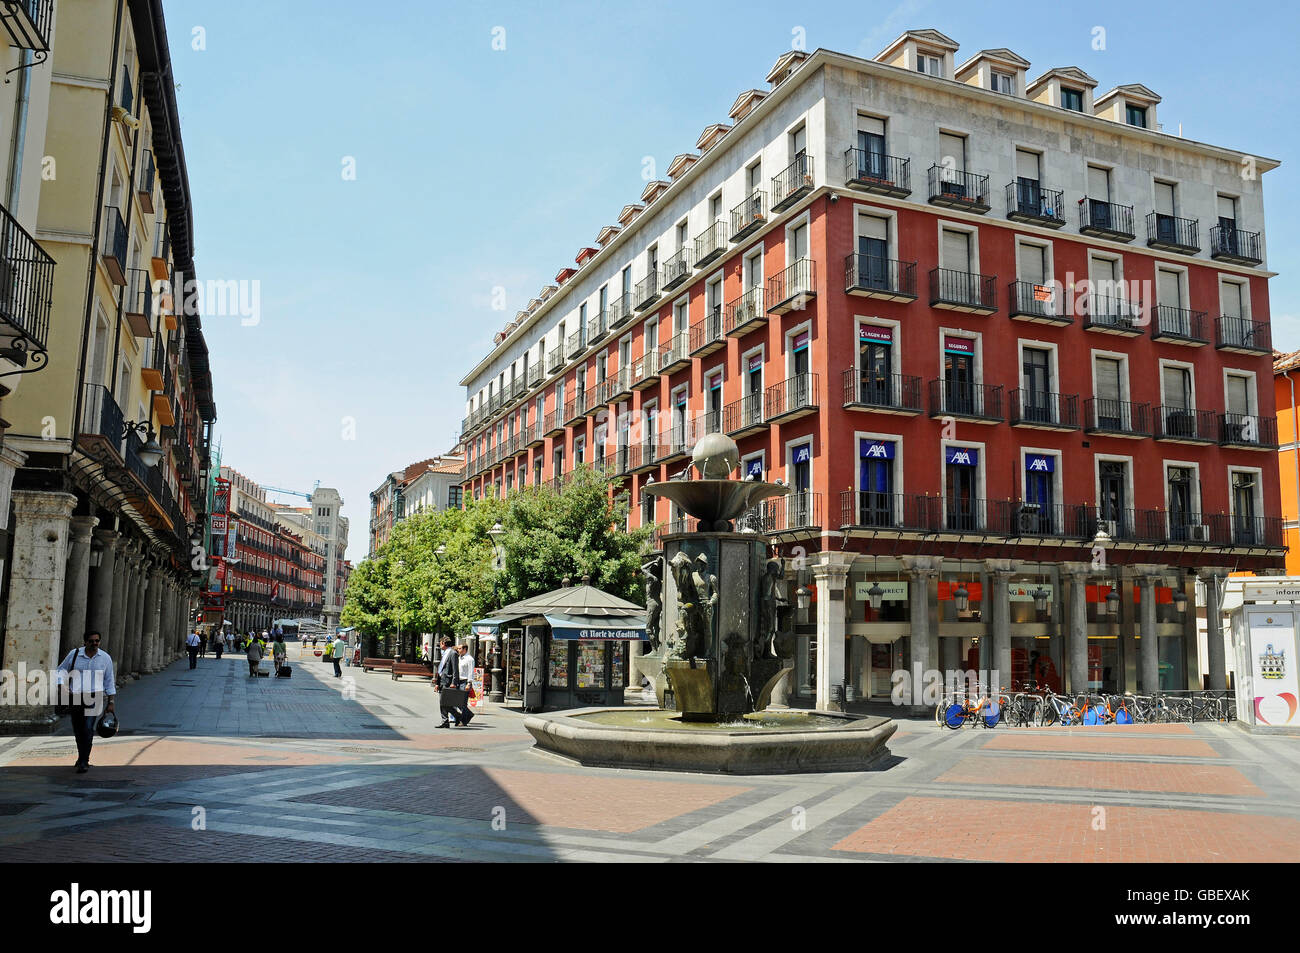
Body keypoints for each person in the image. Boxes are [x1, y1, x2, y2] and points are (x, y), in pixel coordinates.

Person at [56, 631, 117, 774]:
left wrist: (111, 701)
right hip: (76, 697)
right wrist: (62, 687)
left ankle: (84, 761)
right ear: (85, 642)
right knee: (78, 729)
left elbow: (109, 681)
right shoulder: (75, 654)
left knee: (88, 728)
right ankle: (81, 756)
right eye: (91, 641)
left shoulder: (105, 658)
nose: (95, 643)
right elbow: (60, 670)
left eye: (97, 641)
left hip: (94, 697)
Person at [436, 637, 468, 728]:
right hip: (443, 681)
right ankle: (445, 721)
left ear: (444, 643)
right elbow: (441, 669)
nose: (439, 644)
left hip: (449, 681)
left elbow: (455, 669)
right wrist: (438, 683)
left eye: (440, 642)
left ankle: (459, 716)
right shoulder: (445, 653)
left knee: (445, 702)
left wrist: (454, 682)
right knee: (443, 702)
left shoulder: (452, 653)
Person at [456, 642, 476, 725]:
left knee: (462, 702)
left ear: (465, 649)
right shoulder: (459, 658)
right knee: (457, 701)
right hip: (458, 681)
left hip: (465, 681)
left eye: (460, 648)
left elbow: (471, 671)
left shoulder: (469, 659)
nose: (458, 650)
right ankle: (469, 714)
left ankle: (464, 720)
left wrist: (469, 683)